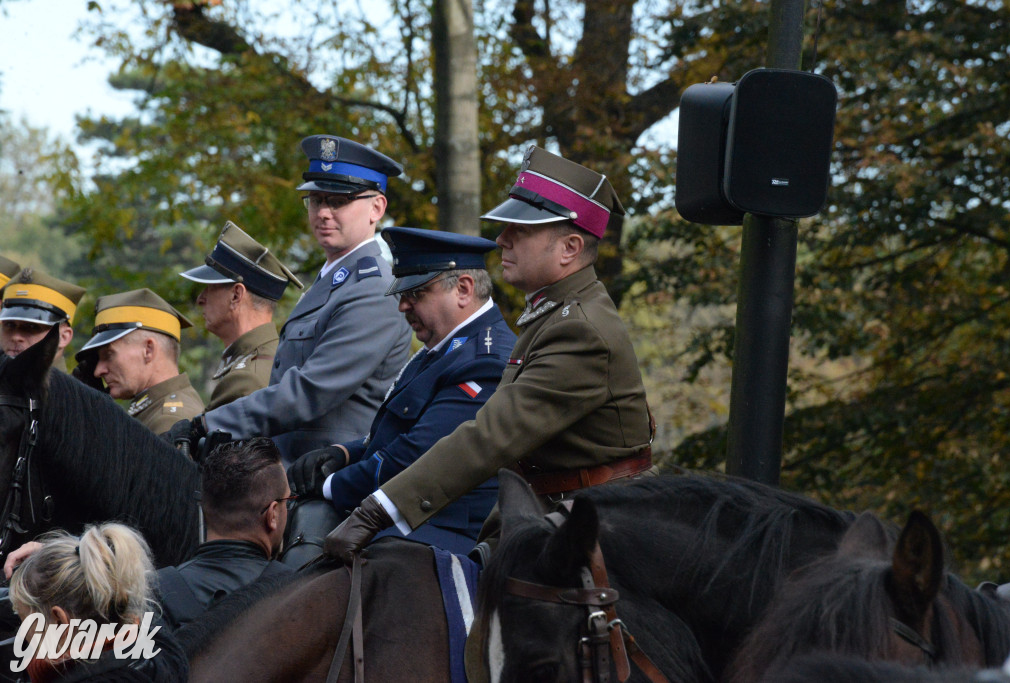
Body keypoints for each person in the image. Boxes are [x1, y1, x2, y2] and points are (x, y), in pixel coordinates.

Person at [322, 146, 654, 562]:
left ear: (569, 247)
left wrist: (377, 511)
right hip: (552, 516)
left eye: (520, 231)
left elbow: (490, 437)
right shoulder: (553, 313)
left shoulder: (580, 331)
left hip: (597, 531)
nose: (501, 240)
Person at [165, 135, 410, 463]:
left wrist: (208, 424)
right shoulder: (334, 282)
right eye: (316, 199)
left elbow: (311, 390)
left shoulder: (374, 290)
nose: (323, 212)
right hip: (291, 474)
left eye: (338, 201)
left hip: (335, 481)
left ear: (376, 208)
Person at [288, 227, 517, 554]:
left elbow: (416, 454)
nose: (403, 307)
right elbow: (393, 434)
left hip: (443, 528)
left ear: (464, 289)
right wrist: (344, 453)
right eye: (402, 295)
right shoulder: (442, 349)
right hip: (403, 514)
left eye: (416, 294)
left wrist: (328, 486)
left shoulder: (485, 360)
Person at [3, 523, 189, 681]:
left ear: (59, 621)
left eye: (24, 619)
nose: (23, 631)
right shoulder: (164, 659)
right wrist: (71, 560)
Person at [156, 437, 294, 631]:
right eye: (287, 501)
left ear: (203, 509)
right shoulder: (297, 594)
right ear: (272, 514)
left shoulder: (154, 593)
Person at [179, 221, 303, 410]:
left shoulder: (246, 378)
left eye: (210, 288)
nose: (200, 299)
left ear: (236, 295)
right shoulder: (270, 359)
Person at [75, 288, 203, 433]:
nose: (98, 371)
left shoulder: (168, 422)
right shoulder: (153, 412)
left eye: (109, 355)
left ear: (148, 350)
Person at [0, 268, 85, 372]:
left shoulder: (66, 388)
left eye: (32, 327)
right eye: (9, 324)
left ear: (63, 337)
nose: (16, 337)